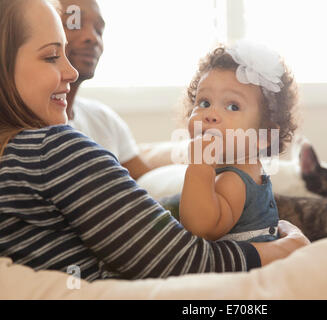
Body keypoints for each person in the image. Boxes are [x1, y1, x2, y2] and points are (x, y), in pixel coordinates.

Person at [0, 0, 309, 281]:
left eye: (232, 106)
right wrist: (289, 249)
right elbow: (181, 260)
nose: (70, 71)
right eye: (52, 56)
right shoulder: (52, 150)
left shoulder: (19, 157)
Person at [179, 42, 299, 242]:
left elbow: (201, 227)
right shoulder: (241, 167)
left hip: (246, 270)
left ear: (264, 136)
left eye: (233, 106)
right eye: (204, 103)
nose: (211, 114)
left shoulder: (233, 180)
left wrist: (199, 166)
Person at [58, 0, 157, 180]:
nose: (93, 38)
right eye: (74, 24)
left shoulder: (103, 119)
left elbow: (148, 183)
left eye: (99, 30)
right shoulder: (20, 125)